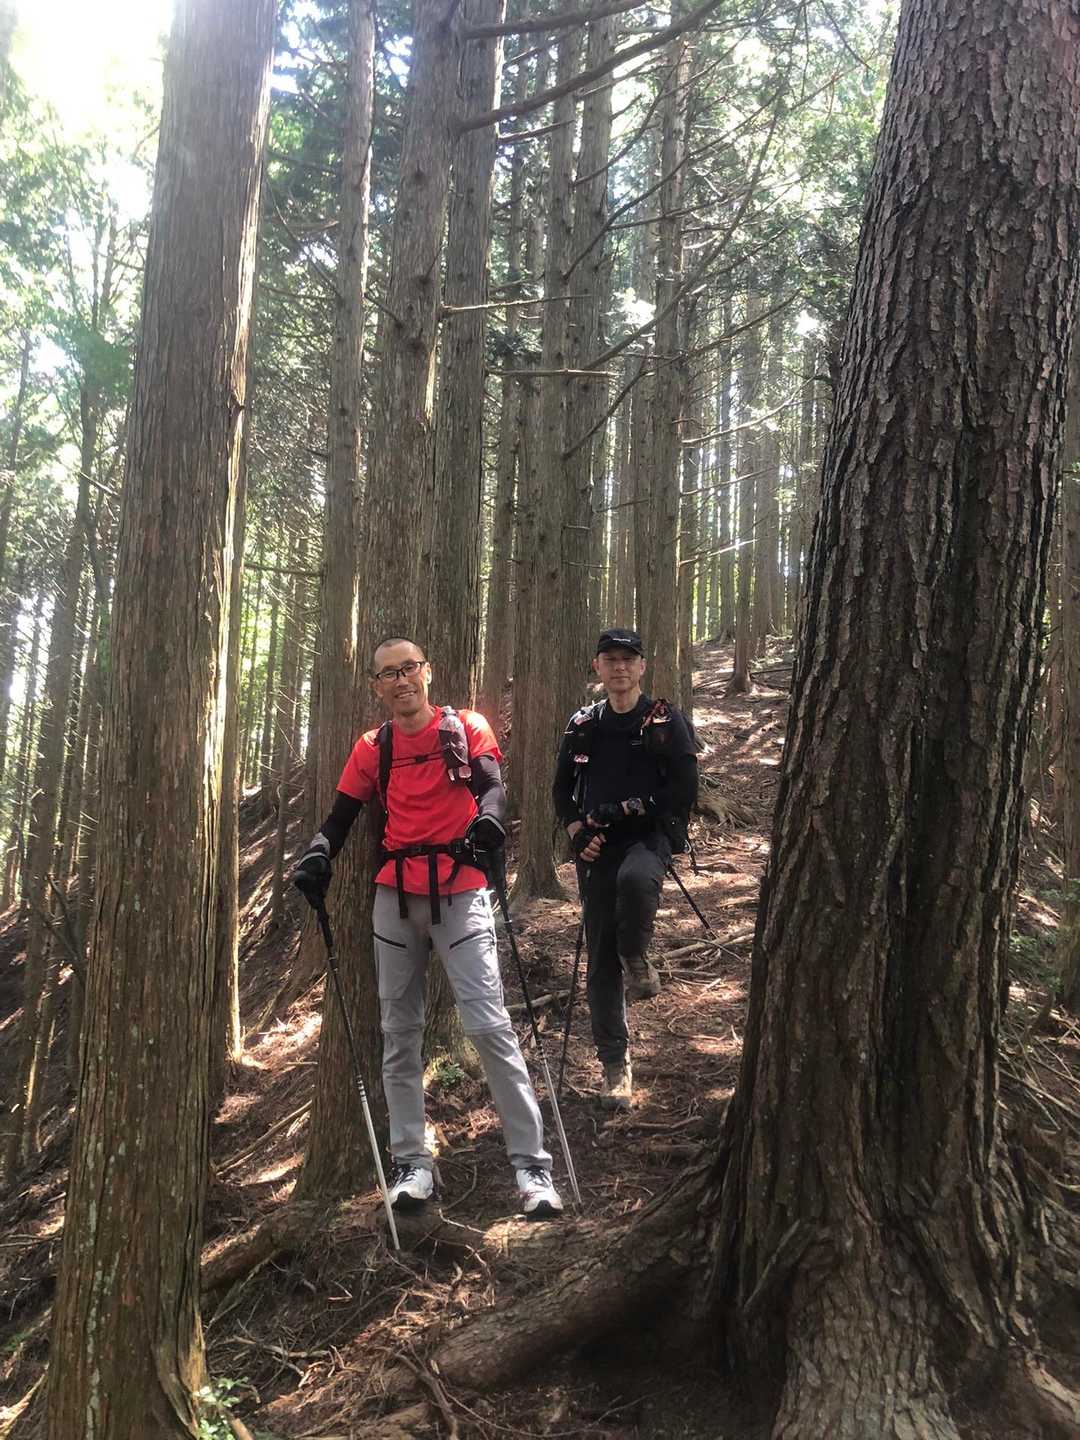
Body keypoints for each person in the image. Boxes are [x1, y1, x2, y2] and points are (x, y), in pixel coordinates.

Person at [292, 638, 563, 1219]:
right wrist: (318, 854)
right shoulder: (373, 747)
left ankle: (532, 1167)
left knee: (489, 1025)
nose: (401, 681)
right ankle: (412, 1163)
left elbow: (492, 787)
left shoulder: (466, 727)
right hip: (394, 897)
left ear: (428, 672)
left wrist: (489, 822)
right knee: (399, 1033)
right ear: (376, 686)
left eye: (409, 669)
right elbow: (339, 819)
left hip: (461, 890)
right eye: (388, 674)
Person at [552, 627, 698, 1110]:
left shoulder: (665, 721)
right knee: (599, 958)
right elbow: (561, 790)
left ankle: (636, 956)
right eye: (610, 659)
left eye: (628, 659)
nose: (619, 667)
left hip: (649, 838)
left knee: (635, 882)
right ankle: (615, 1065)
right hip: (597, 849)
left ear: (642, 667)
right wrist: (577, 833)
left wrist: (627, 809)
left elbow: (684, 790)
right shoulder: (583, 724)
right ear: (597, 666)